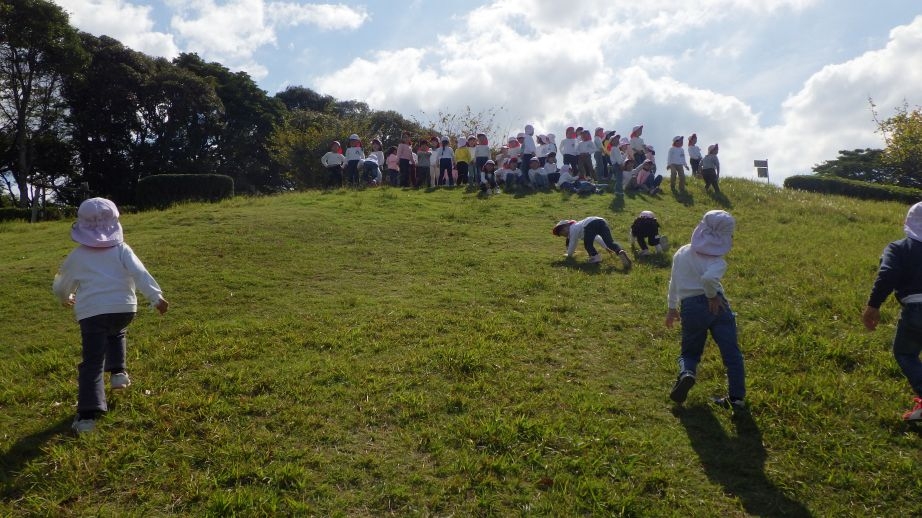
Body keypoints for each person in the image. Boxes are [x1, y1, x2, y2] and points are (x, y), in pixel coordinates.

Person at [53, 198, 169, 434]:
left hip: (92, 312)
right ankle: (118, 374)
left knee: (92, 362)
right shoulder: (122, 249)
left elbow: (61, 283)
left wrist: (65, 296)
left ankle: (87, 415)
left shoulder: (78, 255)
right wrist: (156, 297)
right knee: (117, 332)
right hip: (124, 308)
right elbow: (140, 273)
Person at [666, 210, 745, 410]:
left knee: (689, 352)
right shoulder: (718, 261)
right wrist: (711, 296)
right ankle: (736, 398)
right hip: (718, 306)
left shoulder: (682, 252)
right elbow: (709, 279)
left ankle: (687, 374)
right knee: (732, 354)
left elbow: (674, 281)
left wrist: (672, 307)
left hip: (691, 307)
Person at [862, 202, 922, 421]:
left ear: (907, 222)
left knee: (906, 353)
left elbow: (887, 274)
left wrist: (873, 306)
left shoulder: (898, 248)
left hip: (917, 308)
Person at [552, 217, 632, 268]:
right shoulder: (580, 229)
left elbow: (573, 244)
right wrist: (606, 247)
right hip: (601, 221)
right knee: (610, 242)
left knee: (587, 244)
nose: (564, 234)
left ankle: (595, 257)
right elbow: (597, 238)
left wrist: (569, 255)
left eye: (563, 231)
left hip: (590, 223)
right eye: (562, 234)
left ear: (568, 225)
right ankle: (620, 251)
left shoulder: (573, 228)